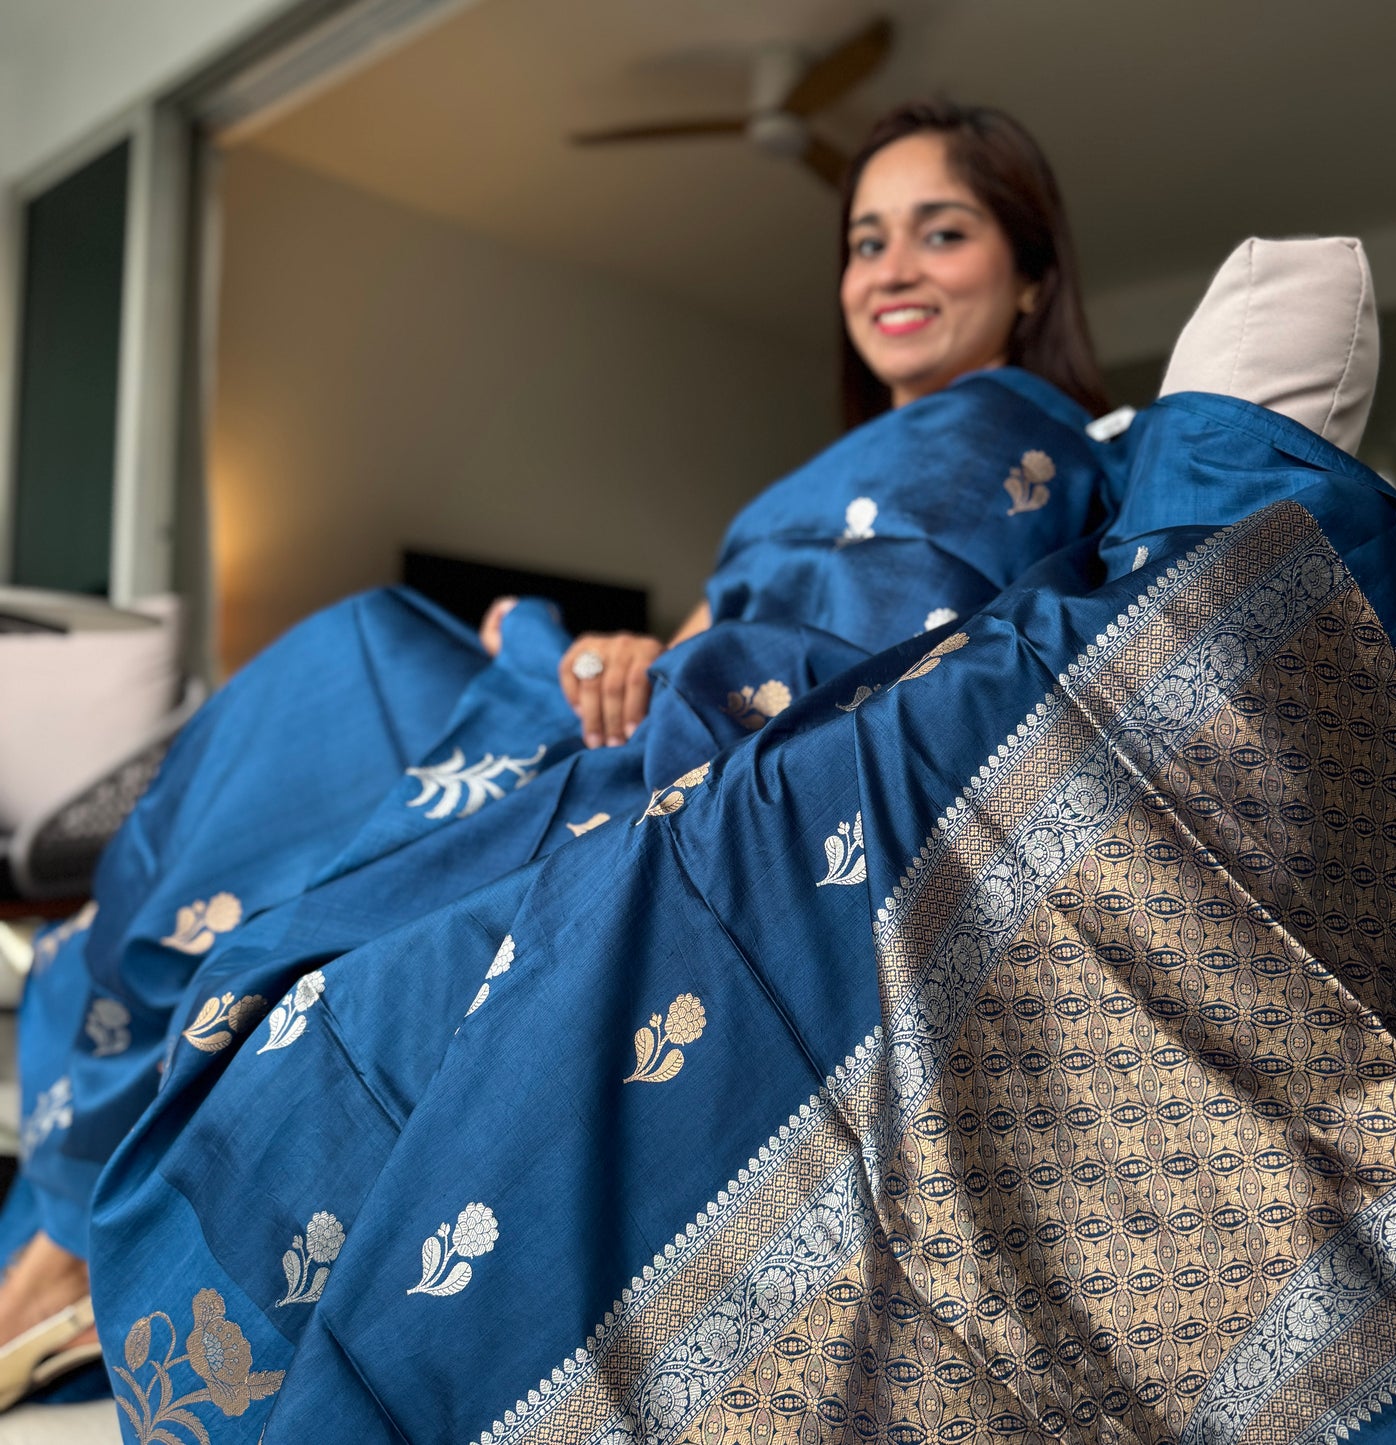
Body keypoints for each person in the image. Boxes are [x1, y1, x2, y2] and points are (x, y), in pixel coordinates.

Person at [0, 101, 1112, 1405]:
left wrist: (649, 670)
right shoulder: (855, 461)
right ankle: (63, 1238)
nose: (892, 271)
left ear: (1030, 273)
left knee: (355, 663)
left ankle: (62, 1252)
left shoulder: (1016, 440)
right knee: (343, 675)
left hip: (721, 739)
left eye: (942, 232)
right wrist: (593, 653)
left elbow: (876, 648)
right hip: (654, 700)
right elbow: (709, 631)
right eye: (867, 242)